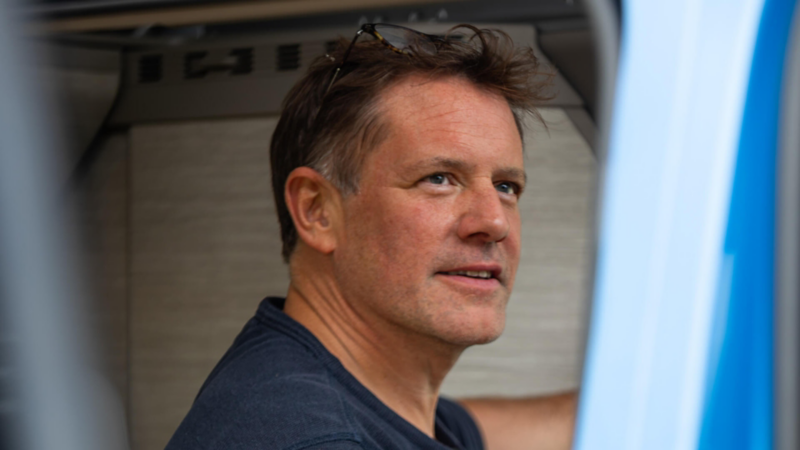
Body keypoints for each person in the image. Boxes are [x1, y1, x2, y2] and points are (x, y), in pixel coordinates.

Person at [166, 23, 577, 450]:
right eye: (439, 178)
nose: (495, 222)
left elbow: (504, 429)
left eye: (506, 186)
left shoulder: (361, 398)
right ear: (317, 211)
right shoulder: (312, 437)